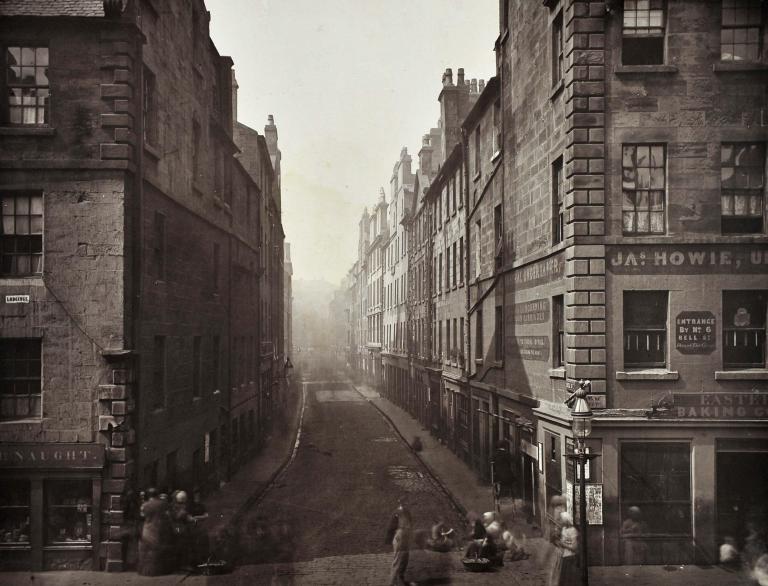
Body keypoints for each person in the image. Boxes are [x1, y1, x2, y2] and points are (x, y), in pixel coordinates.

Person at [138, 488, 172, 576]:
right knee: (157, 550)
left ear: (149, 495)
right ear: (157, 495)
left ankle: (146, 572)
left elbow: (142, 515)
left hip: (147, 529)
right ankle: (158, 571)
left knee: (146, 551)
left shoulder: (145, 505)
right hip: (159, 528)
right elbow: (167, 515)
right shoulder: (162, 504)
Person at [385, 501, 412, 586]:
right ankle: (392, 583)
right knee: (398, 559)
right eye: (403, 502)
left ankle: (400, 579)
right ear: (400, 503)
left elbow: (411, 523)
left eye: (406, 501)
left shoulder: (407, 512)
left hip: (406, 536)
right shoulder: (396, 513)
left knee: (405, 558)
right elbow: (390, 527)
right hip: (399, 536)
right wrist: (394, 536)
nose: (405, 503)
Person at [549, 511, 579, 586]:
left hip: (569, 557)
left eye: (561, 519)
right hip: (562, 557)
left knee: (568, 580)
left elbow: (574, 547)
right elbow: (561, 543)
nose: (560, 521)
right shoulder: (564, 529)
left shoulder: (573, 531)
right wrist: (556, 541)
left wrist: (563, 545)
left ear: (565, 520)